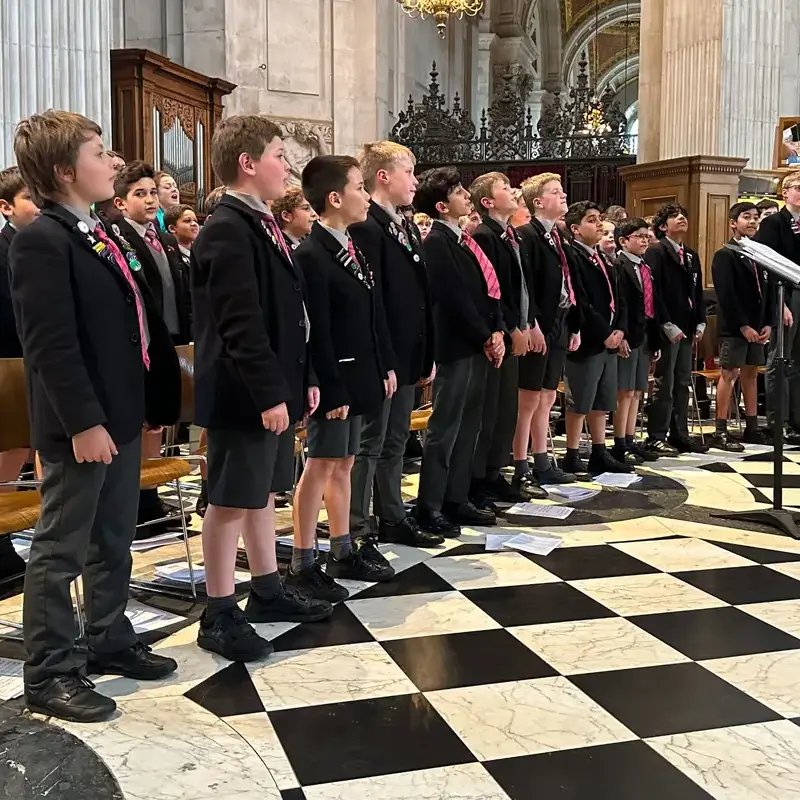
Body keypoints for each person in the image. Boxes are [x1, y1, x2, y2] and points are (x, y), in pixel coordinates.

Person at [10, 110, 181, 722]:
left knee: (113, 535)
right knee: (61, 546)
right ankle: (51, 670)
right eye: (99, 152)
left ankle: (108, 634)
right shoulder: (42, 239)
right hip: (81, 423)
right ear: (63, 170)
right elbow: (51, 344)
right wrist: (83, 421)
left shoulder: (98, 230)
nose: (112, 162)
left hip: (120, 412)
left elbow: (136, 323)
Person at [192, 115, 332, 664]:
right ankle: (220, 611)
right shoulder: (227, 226)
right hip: (243, 391)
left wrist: (302, 382)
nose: (287, 164)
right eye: (278, 153)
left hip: (270, 385)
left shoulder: (257, 222)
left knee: (260, 493)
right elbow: (240, 322)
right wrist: (270, 393)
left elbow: (287, 314)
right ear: (248, 164)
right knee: (229, 500)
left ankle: (267, 589)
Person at [288, 155, 396, 602]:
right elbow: (318, 331)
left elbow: (373, 313)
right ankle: (302, 561)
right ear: (334, 198)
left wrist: (385, 363)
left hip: (359, 374)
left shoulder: (351, 245)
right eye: (359, 187)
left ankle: (342, 548)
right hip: (336, 379)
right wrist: (329, 386)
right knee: (319, 465)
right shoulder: (312, 254)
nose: (367, 195)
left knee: (345, 462)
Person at [348, 141, 440, 550]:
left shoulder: (398, 224)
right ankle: (357, 526)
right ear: (382, 176)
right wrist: (384, 360)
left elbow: (418, 294)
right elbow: (374, 301)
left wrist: (424, 354)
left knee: (395, 440)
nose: (415, 181)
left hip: (405, 353)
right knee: (370, 444)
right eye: (409, 172)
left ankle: (392, 515)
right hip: (381, 356)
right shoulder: (367, 226)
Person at [414, 167, 504, 533]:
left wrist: (495, 330)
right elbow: (453, 298)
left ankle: (457, 497)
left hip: (477, 343)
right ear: (441, 205)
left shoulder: (463, 241)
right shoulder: (436, 242)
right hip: (456, 345)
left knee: (469, 426)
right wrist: (487, 334)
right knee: (445, 427)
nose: (466, 195)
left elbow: (485, 289)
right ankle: (430, 505)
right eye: (457, 192)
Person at [469, 171, 546, 502]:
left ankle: (495, 472)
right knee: (492, 411)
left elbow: (522, 287)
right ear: (487, 202)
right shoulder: (486, 235)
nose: (514, 191)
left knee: (506, 410)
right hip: (501, 332)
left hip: (517, 327)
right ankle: (481, 478)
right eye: (505, 188)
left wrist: (528, 323)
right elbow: (494, 290)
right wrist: (511, 327)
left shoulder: (509, 235)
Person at [515, 174, 580, 485]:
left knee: (547, 397)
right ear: (538, 202)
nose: (563, 195)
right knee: (528, 399)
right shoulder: (526, 235)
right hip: (539, 324)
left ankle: (543, 460)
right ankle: (520, 464)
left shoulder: (559, 236)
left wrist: (574, 325)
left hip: (561, 321)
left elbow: (568, 283)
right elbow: (525, 284)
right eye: (556, 192)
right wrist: (533, 324)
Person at [561, 201, 630, 476]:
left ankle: (600, 452)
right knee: (580, 400)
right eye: (592, 220)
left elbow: (619, 297)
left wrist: (620, 330)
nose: (599, 224)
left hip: (610, 339)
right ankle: (572, 453)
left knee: (602, 400)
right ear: (575, 229)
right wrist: (605, 333)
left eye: (600, 219)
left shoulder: (602, 256)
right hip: (590, 340)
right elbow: (583, 301)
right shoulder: (573, 255)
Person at [0, 165, 40, 582]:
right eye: (28, 198)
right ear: (6, 207)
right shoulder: (4, 247)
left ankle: (7, 535)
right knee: (10, 448)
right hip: (8, 360)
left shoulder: (38, 243)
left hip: (29, 359)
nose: (38, 206)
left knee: (24, 446)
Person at [644, 203, 707, 455]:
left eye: (683, 215)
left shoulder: (690, 254)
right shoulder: (656, 252)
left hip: (688, 327)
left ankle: (680, 433)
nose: (681, 218)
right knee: (665, 382)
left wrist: (700, 320)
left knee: (683, 382)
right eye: (673, 216)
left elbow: (697, 290)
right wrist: (667, 324)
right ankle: (657, 435)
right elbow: (655, 293)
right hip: (667, 327)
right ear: (662, 226)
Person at [709, 202, 771, 452]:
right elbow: (727, 295)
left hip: (757, 325)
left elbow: (766, 291)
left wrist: (767, 322)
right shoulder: (725, 254)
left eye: (756, 217)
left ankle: (752, 427)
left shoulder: (760, 254)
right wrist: (743, 325)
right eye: (746, 217)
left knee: (751, 374)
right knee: (730, 373)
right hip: (735, 327)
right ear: (733, 222)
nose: (753, 222)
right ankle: (720, 430)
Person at [112, 161, 192, 346]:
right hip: (144, 340)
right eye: (140, 194)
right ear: (120, 203)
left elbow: (182, 290)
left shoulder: (168, 240)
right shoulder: (117, 238)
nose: (150, 200)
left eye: (153, 193)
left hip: (178, 338)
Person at [612, 218, 661, 464]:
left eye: (646, 236)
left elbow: (650, 307)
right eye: (639, 236)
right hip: (628, 336)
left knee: (637, 391)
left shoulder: (645, 266)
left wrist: (655, 341)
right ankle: (620, 442)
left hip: (644, 336)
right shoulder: (618, 265)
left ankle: (631, 438)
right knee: (625, 390)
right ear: (623, 240)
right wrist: (621, 334)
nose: (645, 240)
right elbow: (622, 304)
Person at [756, 173, 800, 442]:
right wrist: (779, 303)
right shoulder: (773, 223)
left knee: (798, 362)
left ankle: (796, 419)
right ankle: (778, 421)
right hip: (785, 294)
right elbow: (766, 268)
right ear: (785, 193)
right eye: (799, 188)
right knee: (780, 360)